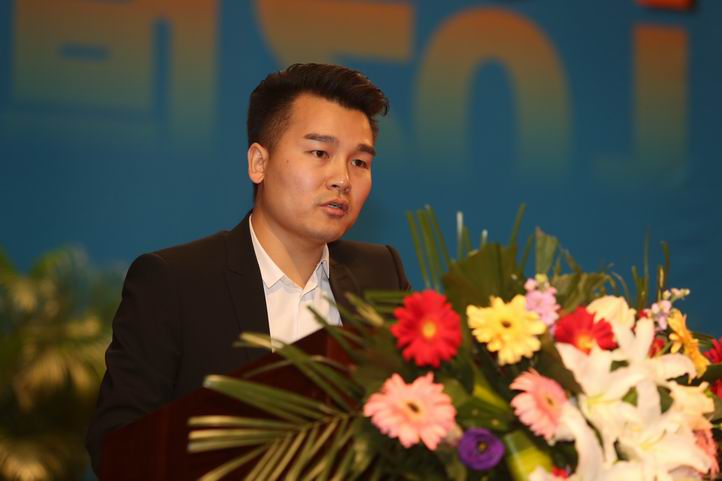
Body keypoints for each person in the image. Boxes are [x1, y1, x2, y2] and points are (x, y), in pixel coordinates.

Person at [86, 63, 410, 473]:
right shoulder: (176, 282)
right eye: (320, 153)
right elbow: (117, 448)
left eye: (359, 162)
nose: (342, 179)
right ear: (259, 162)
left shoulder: (381, 274)